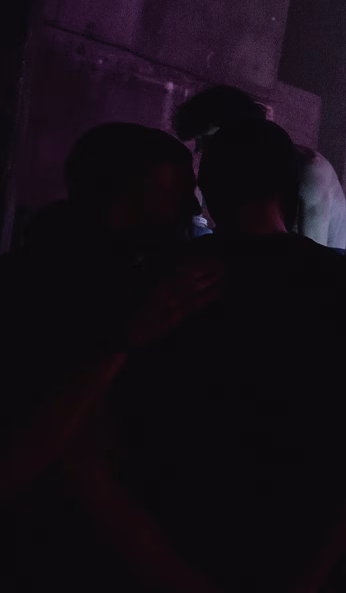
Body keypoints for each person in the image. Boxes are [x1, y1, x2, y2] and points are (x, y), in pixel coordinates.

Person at [82, 119, 346, 590]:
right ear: (287, 188)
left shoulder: (163, 279)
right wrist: (311, 574)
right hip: (298, 554)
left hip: (170, 550)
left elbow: (104, 431)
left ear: (207, 188)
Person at [1, 123, 208, 591]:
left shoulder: (54, 271)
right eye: (178, 192)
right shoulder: (59, 295)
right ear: (122, 200)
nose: (192, 208)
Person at [172, 84, 346, 249]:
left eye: (207, 139)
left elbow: (315, 267)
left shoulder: (310, 170)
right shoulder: (244, 173)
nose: (199, 150)